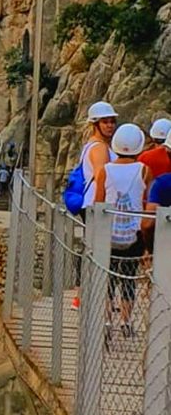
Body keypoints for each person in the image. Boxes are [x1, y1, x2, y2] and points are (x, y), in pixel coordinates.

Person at [95, 124, 152, 338]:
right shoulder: (144, 170)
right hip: (133, 233)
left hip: (108, 233)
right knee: (128, 278)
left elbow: (98, 201)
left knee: (109, 278)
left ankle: (107, 321)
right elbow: (146, 200)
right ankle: (126, 323)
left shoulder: (104, 170)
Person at [71, 101, 119, 310]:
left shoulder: (90, 144)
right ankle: (88, 296)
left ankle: (83, 295)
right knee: (99, 249)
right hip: (96, 203)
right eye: (105, 122)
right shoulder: (99, 147)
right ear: (95, 124)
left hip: (89, 202)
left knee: (91, 247)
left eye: (112, 121)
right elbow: (102, 175)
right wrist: (103, 203)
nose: (110, 125)